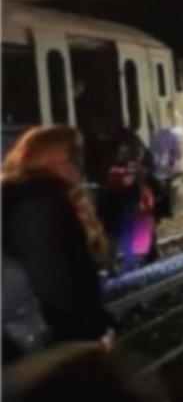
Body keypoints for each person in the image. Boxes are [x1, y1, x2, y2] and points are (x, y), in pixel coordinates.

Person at [2, 127, 114, 362]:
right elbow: (50, 281)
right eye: (73, 154)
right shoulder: (39, 201)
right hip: (44, 345)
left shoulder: (36, 196)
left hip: (38, 339)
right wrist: (86, 334)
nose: (79, 163)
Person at [97, 129, 156, 273]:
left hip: (113, 195)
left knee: (113, 229)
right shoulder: (132, 142)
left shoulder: (107, 146)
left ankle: (112, 263)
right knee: (137, 221)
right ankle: (139, 259)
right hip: (128, 194)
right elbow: (148, 164)